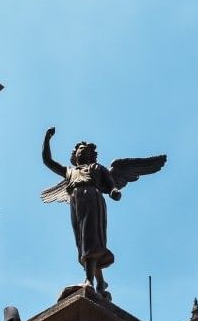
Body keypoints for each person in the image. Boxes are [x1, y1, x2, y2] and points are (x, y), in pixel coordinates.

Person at [40, 127, 165, 296]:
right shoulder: (70, 172)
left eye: (84, 150)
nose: (80, 153)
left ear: (91, 154)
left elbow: (110, 182)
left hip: (92, 198)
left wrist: (113, 191)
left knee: (91, 239)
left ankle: (89, 281)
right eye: (78, 151)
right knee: (83, 242)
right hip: (76, 202)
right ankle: (100, 282)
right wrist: (47, 139)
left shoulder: (98, 168)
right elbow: (48, 161)